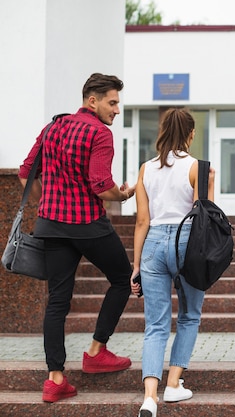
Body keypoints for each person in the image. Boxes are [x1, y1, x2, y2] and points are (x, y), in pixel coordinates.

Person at [18, 73, 135, 403]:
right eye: (112, 102)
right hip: (87, 224)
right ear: (92, 101)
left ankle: (55, 379)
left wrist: (49, 199)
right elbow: (101, 185)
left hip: (50, 225)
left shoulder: (52, 126)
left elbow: (26, 173)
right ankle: (97, 351)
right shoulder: (100, 132)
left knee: (57, 302)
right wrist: (123, 196)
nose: (117, 110)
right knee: (122, 279)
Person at [131, 108, 215, 417]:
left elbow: (142, 220)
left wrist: (137, 266)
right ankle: (174, 385)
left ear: (162, 131)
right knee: (190, 316)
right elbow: (204, 217)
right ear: (191, 134)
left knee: (155, 324)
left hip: (153, 242)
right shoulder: (198, 168)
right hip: (186, 242)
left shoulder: (146, 169)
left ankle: (149, 397)